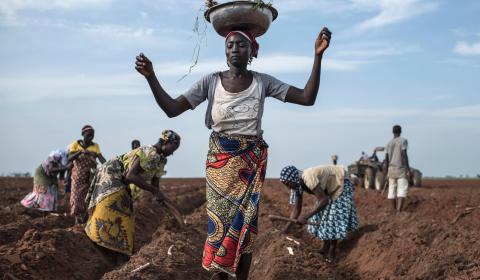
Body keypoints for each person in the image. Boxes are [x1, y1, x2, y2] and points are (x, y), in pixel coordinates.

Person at [135, 26, 331, 279]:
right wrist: (151, 77)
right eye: (230, 45)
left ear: (251, 51)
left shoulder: (263, 82)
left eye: (241, 45)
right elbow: (172, 108)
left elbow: (306, 97)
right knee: (219, 225)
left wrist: (317, 57)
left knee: (246, 228)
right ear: (224, 51)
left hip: (249, 165)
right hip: (220, 165)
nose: (235, 49)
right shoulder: (210, 81)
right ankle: (218, 275)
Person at [85, 130, 180, 259]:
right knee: (110, 207)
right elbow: (131, 176)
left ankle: (117, 250)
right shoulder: (149, 153)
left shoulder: (161, 161)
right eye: (173, 147)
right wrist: (154, 191)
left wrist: (165, 202)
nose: (173, 152)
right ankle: (96, 238)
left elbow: (155, 185)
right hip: (112, 174)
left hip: (122, 180)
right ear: (165, 142)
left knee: (126, 213)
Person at [280, 165, 358, 262]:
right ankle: (326, 246)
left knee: (333, 217)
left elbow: (324, 200)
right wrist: (285, 230)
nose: (287, 187)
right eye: (285, 184)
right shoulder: (297, 185)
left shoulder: (308, 177)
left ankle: (332, 251)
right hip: (328, 188)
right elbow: (296, 210)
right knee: (319, 215)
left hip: (341, 181)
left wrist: (307, 216)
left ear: (293, 178)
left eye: (287, 183)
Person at [68, 125, 106, 223]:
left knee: (88, 198)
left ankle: (85, 220)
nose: (91, 136)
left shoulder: (95, 146)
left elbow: (101, 158)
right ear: (83, 134)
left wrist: (108, 165)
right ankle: (77, 220)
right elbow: (69, 158)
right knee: (76, 198)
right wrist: (80, 152)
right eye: (88, 134)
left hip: (90, 176)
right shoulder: (75, 144)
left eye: (92, 135)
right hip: (78, 176)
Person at [384, 125, 410, 212]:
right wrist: (408, 169)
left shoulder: (388, 143)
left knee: (391, 191)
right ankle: (399, 211)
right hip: (401, 169)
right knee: (401, 190)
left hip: (391, 170)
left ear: (393, 132)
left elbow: (386, 159)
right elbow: (404, 155)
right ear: (400, 131)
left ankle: (394, 210)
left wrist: (386, 173)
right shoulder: (403, 141)